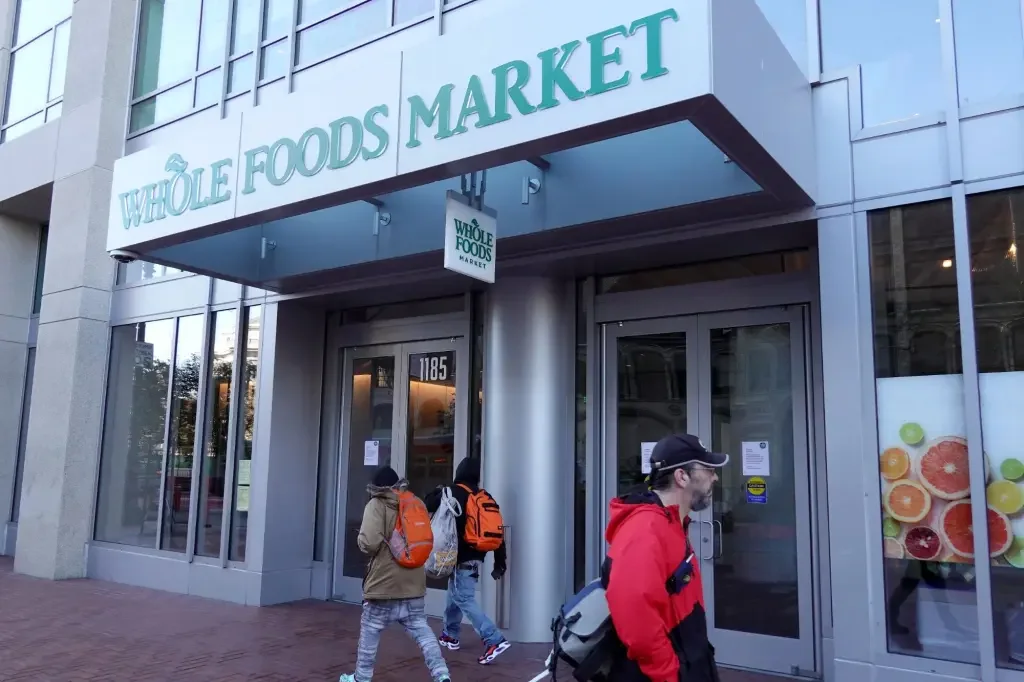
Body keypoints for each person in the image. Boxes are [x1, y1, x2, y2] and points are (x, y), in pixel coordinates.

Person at [603, 434, 728, 681]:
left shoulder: (672, 522)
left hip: (689, 660)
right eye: (709, 470)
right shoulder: (645, 528)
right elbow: (637, 621)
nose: (715, 477)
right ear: (682, 477)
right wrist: (670, 673)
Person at [340, 465, 451, 682]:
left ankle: (361, 678)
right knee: (423, 632)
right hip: (413, 585)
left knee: (370, 633)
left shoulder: (377, 504)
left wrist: (361, 538)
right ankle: (441, 674)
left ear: (376, 487)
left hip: (384, 585)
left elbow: (369, 543)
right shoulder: (416, 503)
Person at [425, 457, 512, 665]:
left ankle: (494, 639)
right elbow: (497, 532)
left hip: (458, 557)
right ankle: (450, 634)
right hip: (476, 557)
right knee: (455, 593)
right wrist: (500, 562)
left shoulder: (452, 492)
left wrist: (439, 490)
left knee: (463, 598)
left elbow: (427, 503)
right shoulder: (484, 496)